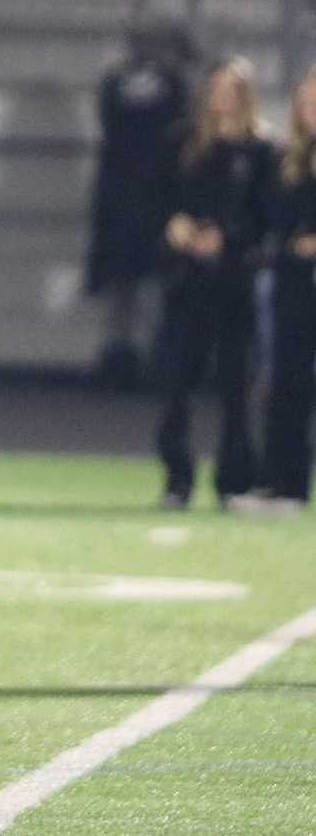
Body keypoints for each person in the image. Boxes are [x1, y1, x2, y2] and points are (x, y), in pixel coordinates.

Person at [154, 56, 277, 510]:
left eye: (231, 90)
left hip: (235, 281)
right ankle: (177, 479)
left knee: (235, 389)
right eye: (216, 89)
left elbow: (267, 216)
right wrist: (175, 225)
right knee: (176, 385)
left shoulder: (261, 149)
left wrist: (228, 238)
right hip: (186, 281)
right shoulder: (184, 143)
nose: (222, 98)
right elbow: (157, 199)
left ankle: (233, 481)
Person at [86, 20, 192, 389]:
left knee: (151, 287)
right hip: (125, 199)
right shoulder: (116, 83)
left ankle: (147, 359)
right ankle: (120, 357)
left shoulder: (170, 83)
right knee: (122, 288)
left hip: (157, 198)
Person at [259, 66, 316, 512]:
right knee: (286, 383)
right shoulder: (285, 157)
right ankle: (285, 484)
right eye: (308, 101)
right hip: (295, 281)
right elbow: (268, 218)